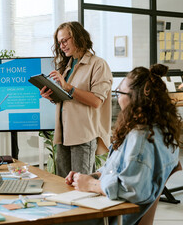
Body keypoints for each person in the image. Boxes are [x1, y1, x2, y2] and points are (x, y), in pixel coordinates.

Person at [66, 64, 181, 224]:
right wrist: (92, 176)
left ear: (137, 98)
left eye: (119, 93)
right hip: (109, 209)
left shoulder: (140, 137)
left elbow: (133, 189)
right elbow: (120, 170)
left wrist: (91, 184)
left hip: (111, 217)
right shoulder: (161, 131)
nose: (117, 98)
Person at [40, 21, 112, 177]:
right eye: (59, 43)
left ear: (78, 37)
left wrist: (67, 87)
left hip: (83, 135)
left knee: (81, 185)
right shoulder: (68, 65)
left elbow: (96, 101)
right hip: (63, 135)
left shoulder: (98, 65)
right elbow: (68, 100)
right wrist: (52, 97)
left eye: (65, 40)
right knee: (62, 183)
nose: (62, 46)